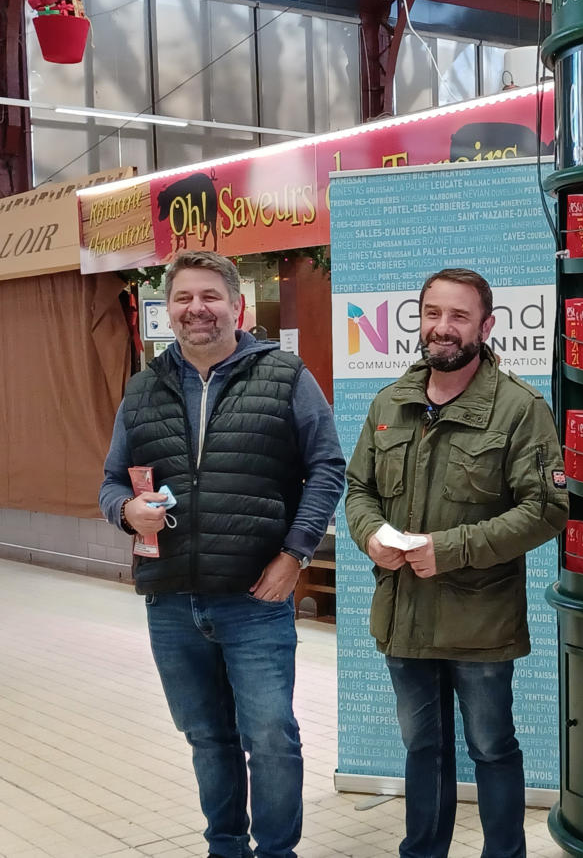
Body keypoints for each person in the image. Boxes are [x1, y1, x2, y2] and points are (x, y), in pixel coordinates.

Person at [99, 250, 346, 858]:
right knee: (207, 737)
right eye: (183, 298)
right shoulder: (141, 390)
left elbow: (327, 468)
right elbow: (110, 482)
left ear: (236, 305)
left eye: (209, 296)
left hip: (255, 600)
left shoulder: (285, 376)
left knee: (271, 737)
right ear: (168, 310)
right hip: (171, 600)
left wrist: (295, 556)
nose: (196, 309)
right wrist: (126, 512)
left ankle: (277, 851)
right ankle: (226, 847)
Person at [344, 268, 568, 858]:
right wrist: (369, 535)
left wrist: (450, 550)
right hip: (404, 614)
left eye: (459, 316)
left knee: (492, 748)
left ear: (486, 326)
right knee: (423, 749)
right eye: (432, 313)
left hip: (480, 619)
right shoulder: (390, 402)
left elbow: (546, 510)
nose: (443, 328)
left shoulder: (520, 410)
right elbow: (358, 490)